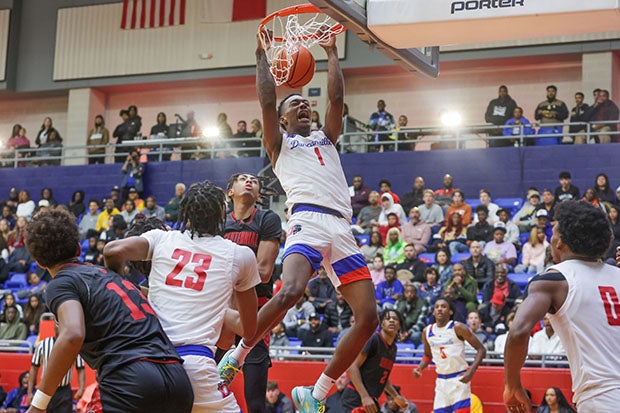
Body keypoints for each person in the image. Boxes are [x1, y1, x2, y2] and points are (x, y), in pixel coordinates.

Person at [219, 31, 379, 413]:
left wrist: (332, 53)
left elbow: (337, 98)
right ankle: (239, 354)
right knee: (290, 290)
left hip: (342, 228)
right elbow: (267, 99)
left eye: (306, 103)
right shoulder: (280, 145)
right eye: (295, 105)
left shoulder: (327, 138)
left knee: (369, 317)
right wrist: (261, 54)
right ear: (283, 119)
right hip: (307, 219)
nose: (303, 107)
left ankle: (316, 393)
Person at [104, 181, 260, 413]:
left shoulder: (162, 239)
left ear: (186, 212)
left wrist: (121, 284)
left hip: (148, 364)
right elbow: (248, 330)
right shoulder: (239, 255)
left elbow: (112, 250)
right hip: (194, 364)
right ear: (222, 214)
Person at [23, 208, 193, 413]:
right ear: (78, 248)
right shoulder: (111, 276)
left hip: (131, 379)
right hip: (178, 379)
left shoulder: (61, 283)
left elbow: (72, 335)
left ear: (39, 263)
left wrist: (39, 404)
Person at [504, 200, 620, 412]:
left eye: (553, 234)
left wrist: (511, 386)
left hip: (603, 398)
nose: (550, 238)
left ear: (560, 242)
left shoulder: (554, 281)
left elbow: (518, 332)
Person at [221, 172, 282, 413]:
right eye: (243, 179)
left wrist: (225, 274)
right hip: (222, 313)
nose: (249, 182)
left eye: (254, 181)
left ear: (258, 194)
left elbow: (264, 272)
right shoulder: (219, 222)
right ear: (230, 191)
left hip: (256, 314)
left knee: (256, 402)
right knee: (203, 386)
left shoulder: (267, 219)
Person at [413, 297, 486, 413]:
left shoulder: (458, 328)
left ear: (450, 311)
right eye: (437, 307)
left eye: (443, 306)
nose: (440, 309)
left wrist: (471, 371)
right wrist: (420, 367)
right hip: (441, 382)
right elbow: (427, 355)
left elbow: (481, 350)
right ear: (433, 312)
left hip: (459, 380)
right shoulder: (427, 331)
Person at [341, 309, 409, 413]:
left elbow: (382, 378)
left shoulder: (393, 349)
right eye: (387, 318)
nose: (391, 321)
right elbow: (352, 367)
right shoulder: (373, 339)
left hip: (371, 400)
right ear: (382, 323)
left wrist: (396, 396)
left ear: (399, 325)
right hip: (355, 397)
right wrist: (364, 396)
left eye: (395, 319)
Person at [27, 322, 86, 413]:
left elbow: (80, 368)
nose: (60, 327)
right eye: (58, 324)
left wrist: (81, 388)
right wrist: (30, 392)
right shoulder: (43, 344)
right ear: (54, 327)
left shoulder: (73, 345)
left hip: (64, 391)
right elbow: (34, 368)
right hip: (45, 389)